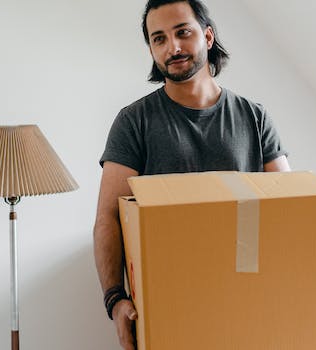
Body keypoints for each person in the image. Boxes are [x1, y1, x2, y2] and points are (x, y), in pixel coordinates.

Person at [93, 0, 290, 348]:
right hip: (167, 300)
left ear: (208, 36)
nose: (173, 47)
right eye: (159, 39)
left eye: (182, 32)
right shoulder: (134, 122)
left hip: (247, 299)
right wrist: (115, 299)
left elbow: (290, 205)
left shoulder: (255, 118)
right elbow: (109, 218)